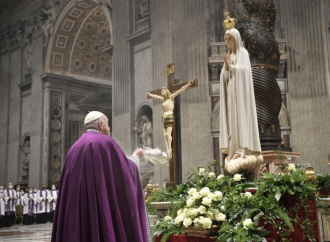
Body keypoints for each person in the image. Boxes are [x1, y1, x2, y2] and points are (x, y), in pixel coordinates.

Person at [51, 111, 150, 242]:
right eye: (108, 125)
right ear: (101, 124)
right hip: (98, 207)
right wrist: (137, 156)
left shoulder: (74, 147)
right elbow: (124, 170)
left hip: (78, 210)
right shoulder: (105, 143)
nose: (109, 129)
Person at [219, 12, 262, 173]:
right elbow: (224, 76)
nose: (228, 42)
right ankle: (234, 148)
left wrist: (232, 67)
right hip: (231, 94)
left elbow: (245, 73)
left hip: (240, 96)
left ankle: (241, 149)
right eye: (226, 39)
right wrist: (226, 69)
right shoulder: (230, 56)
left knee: (239, 119)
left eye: (229, 38)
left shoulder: (243, 54)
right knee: (232, 121)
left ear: (236, 39)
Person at [147, 79, 194, 158]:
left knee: (168, 134)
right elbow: (156, 97)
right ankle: (167, 149)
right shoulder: (163, 99)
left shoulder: (171, 97)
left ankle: (170, 149)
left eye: (163, 91)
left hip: (169, 116)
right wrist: (150, 95)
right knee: (164, 134)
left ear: (166, 91)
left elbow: (180, 90)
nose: (161, 93)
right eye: (161, 92)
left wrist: (188, 84)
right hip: (164, 118)